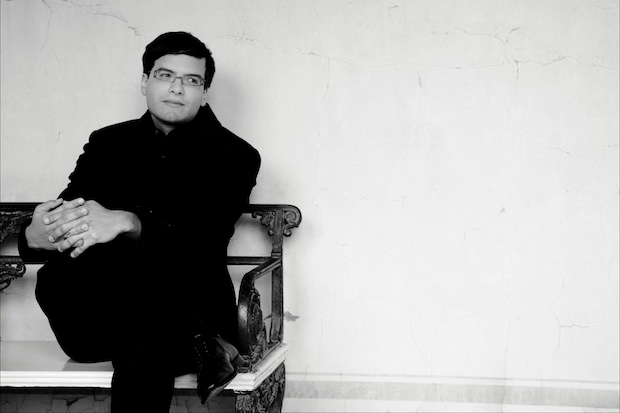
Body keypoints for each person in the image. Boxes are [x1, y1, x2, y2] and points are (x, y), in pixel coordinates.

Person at [18, 31, 261, 412]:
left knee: (146, 343)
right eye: (165, 75)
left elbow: (205, 238)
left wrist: (129, 222)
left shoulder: (235, 155)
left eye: (191, 80)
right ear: (145, 82)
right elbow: (72, 213)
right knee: (64, 279)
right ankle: (203, 340)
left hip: (183, 300)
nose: (177, 88)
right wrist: (34, 236)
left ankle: (202, 337)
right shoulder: (108, 143)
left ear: (204, 92)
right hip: (94, 322)